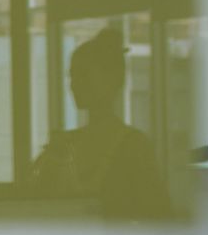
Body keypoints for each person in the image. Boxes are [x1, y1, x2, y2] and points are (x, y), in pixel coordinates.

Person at [29, 28, 170, 219]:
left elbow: (156, 215)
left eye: (83, 74)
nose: (73, 84)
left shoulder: (133, 147)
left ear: (112, 79)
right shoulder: (65, 145)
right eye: (72, 75)